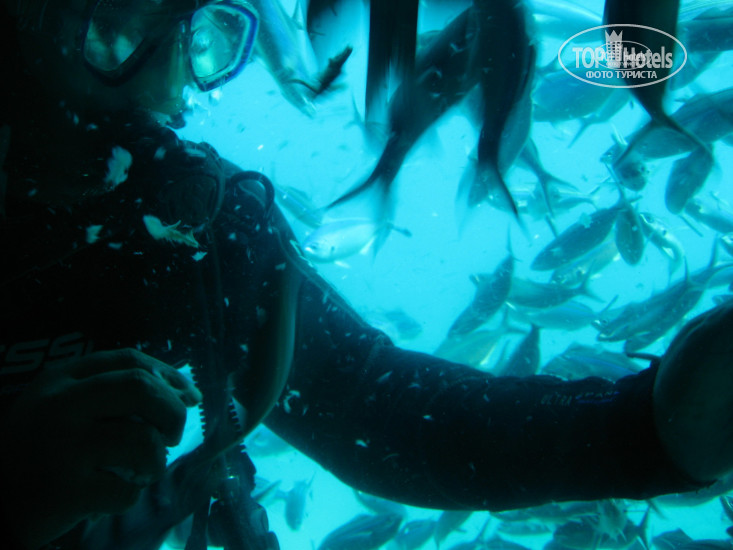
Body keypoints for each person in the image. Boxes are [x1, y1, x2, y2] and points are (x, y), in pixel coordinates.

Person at [1, 1, 731, 549]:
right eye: (114, 30)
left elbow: (375, 409)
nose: (168, 89)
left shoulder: (207, 232)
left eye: (200, 37)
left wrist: (647, 431)